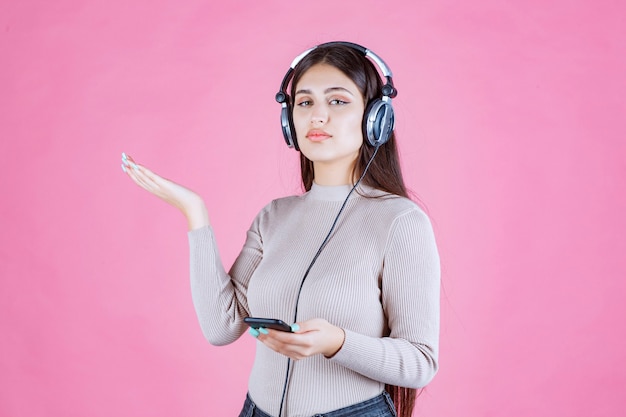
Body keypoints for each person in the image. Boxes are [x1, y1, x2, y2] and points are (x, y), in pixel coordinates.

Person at [121, 41, 440, 417]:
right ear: (289, 121)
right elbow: (222, 326)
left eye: (337, 101)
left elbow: (420, 362)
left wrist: (336, 342)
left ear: (376, 118)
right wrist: (195, 213)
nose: (316, 116)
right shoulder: (273, 217)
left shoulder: (400, 222)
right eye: (304, 103)